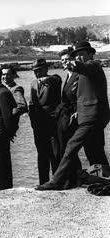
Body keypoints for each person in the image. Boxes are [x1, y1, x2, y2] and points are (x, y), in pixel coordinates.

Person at [37, 41, 110, 190]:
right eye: (77, 55)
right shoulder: (82, 73)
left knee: (71, 147)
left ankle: (56, 181)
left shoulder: (93, 65)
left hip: (92, 117)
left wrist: (73, 63)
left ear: (90, 54)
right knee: (95, 150)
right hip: (90, 116)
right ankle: (105, 180)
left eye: (82, 54)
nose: (79, 58)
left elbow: (83, 67)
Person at [28, 58, 61, 185]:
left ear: (46, 69)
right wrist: (33, 122)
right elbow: (31, 104)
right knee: (42, 154)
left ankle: (57, 181)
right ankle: (43, 182)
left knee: (55, 153)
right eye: (34, 71)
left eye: (39, 70)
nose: (36, 73)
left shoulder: (54, 79)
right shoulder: (33, 83)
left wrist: (45, 79)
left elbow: (55, 80)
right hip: (38, 125)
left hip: (53, 124)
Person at [53, 47, 82, 188]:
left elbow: (80, 96)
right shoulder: (68, 75)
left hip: (72, 117)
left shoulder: (78, 75)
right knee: (64, 149)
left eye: (67, 59)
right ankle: (70, 180)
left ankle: (75, 179)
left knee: (70, 150)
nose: (64, 62)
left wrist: (77, 111)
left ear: (74, 60)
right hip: (63, 117)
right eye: (62, 60)